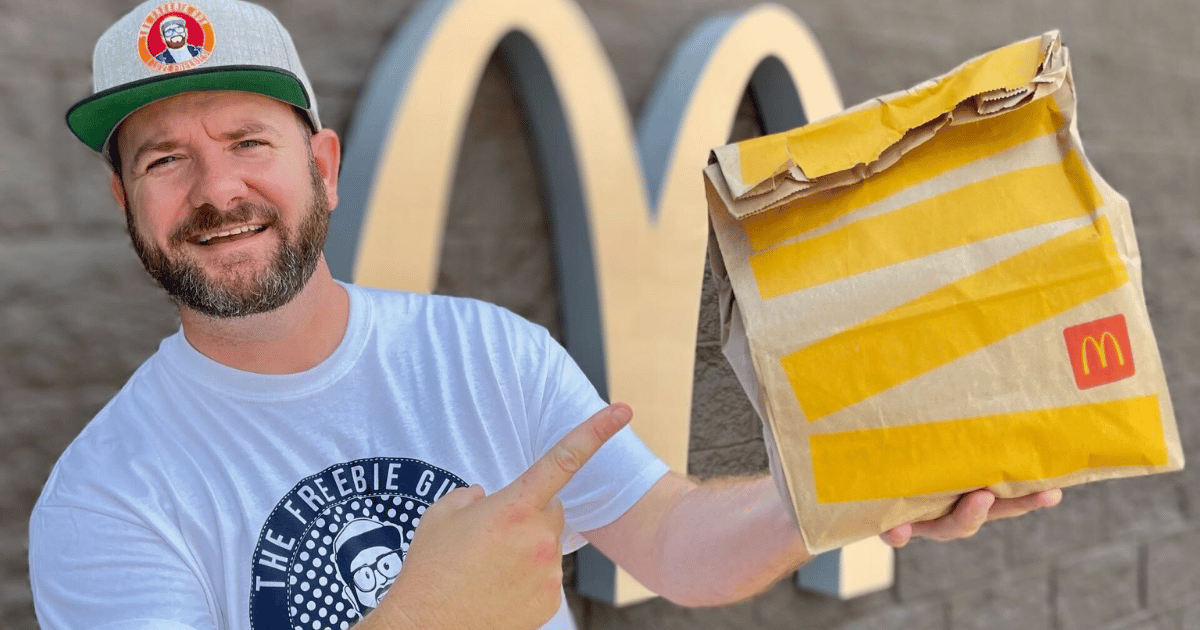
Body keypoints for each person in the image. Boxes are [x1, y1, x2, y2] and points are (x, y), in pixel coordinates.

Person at [30, 1, 1062, 629]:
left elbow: (669, 540)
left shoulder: (481, 351)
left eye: (248, 141)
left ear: (323, 167)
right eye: (166, 160)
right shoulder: (104, 501)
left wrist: (841, 495)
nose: (218, 192)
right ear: (128, 204)